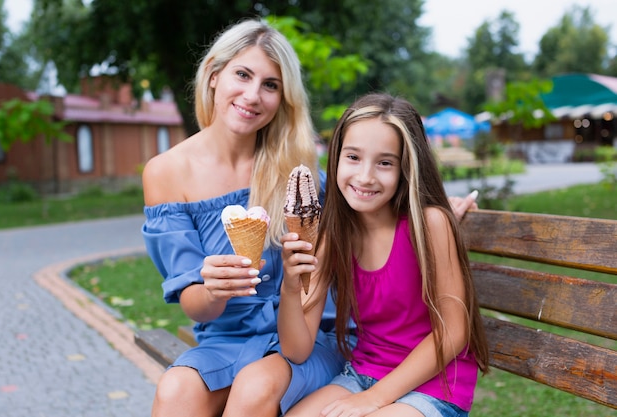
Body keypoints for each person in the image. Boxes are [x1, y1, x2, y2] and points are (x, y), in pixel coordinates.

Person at [142, 17, 479, 417]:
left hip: (316, 340)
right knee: (175, 391)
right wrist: (212, 289)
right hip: (231, 338)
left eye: (271, 85)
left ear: (284, 98)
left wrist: (428, 212)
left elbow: (362, 195)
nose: (253, 95)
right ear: (214, 73)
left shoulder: (298, 171)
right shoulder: (166, 173)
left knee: (256, 387)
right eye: (243, 75)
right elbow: (194, 303)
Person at [279, 93, 489, 417]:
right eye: (353, 157)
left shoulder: (429, 224)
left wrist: (374, 398)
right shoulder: (333, 235)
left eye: (385, 162)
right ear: (335, 158)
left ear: (406, 167)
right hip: (364, 373)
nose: (365, 176)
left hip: (434, 384)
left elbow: (453, 331)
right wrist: (290, 289)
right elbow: (297, 349)